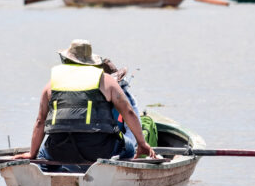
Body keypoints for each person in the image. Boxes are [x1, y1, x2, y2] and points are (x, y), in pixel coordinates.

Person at [13, 40, 156, 170]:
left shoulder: (51, 85)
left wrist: (32, 153)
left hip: (59, 150)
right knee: (130, 148)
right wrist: (142, 144)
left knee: (43, 154)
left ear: (67, 60)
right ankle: (116, 175)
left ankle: (51, 182)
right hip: (99, 150)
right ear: (91, 62)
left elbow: (40, 121)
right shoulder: (106, 80)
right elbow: (129, 112)